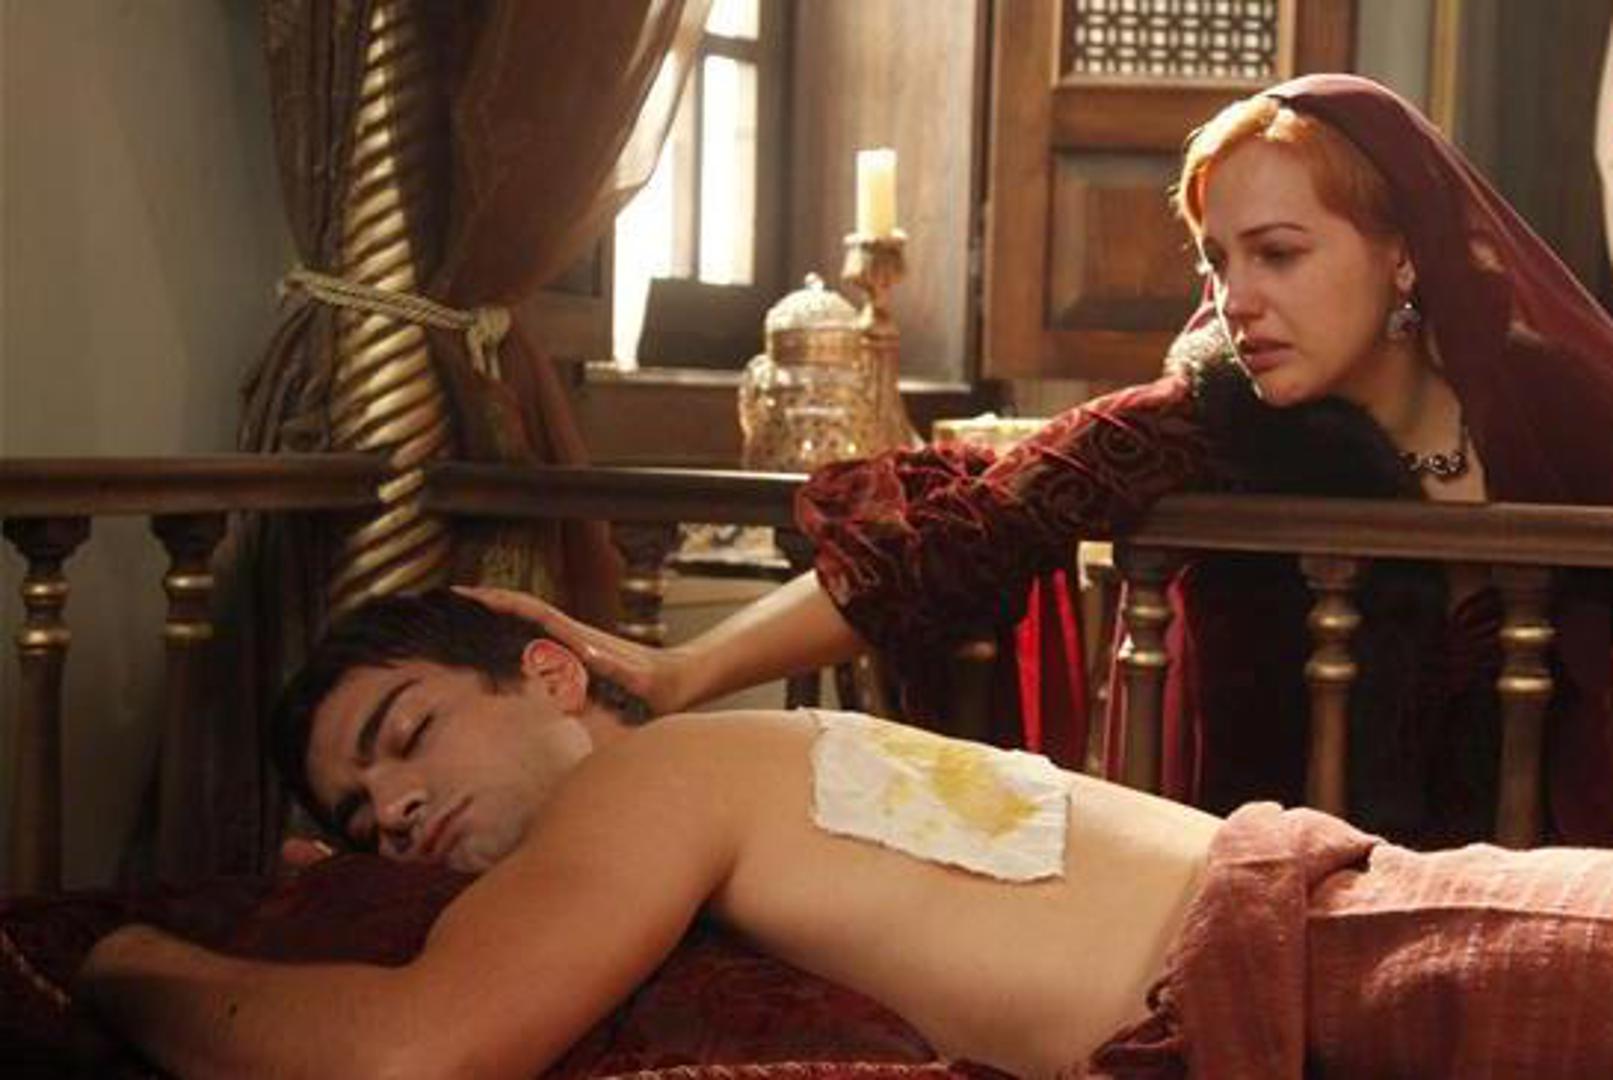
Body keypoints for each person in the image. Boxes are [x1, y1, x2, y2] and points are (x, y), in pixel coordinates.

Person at [475, 73, 1613, 848]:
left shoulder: (1559, 406)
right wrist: (678, 674)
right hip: (1295, 886)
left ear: (1402, 255)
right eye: (1217, 262)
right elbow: (959, 528)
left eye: (1277, 254)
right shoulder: (1201, 416)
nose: (1235, 300)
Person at [77, 590, 1613, 1078]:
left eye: (406, 736)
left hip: (1333, 953)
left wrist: (126, 964)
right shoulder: (705, 792)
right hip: (1318, 955)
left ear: (548, 673)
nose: (396, 811)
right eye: (363, 818)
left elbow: (417, 1053)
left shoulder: (652, 779)